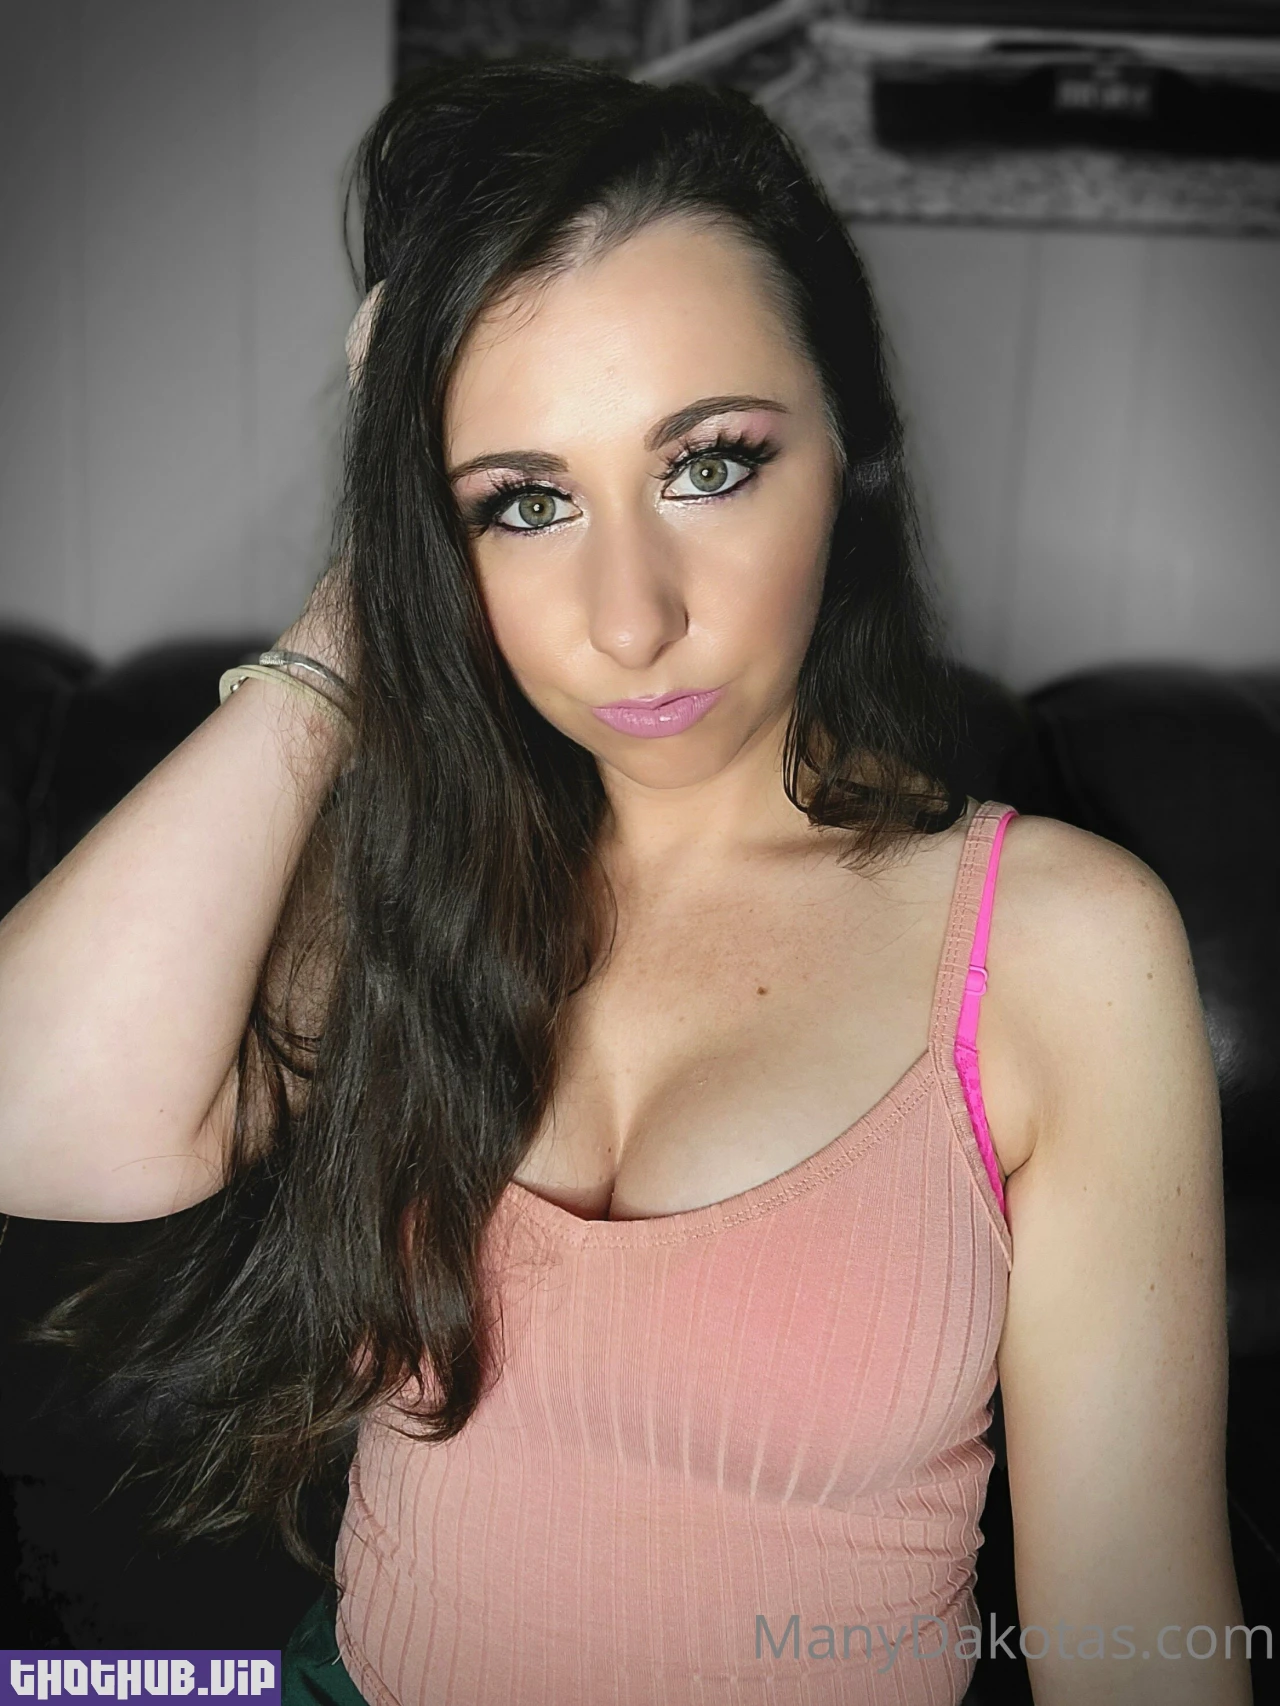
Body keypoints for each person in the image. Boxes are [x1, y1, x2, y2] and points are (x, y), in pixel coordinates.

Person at [0, 57, 1250, 1706]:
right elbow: (34, 1119)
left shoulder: (1057, 948)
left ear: (851, 445)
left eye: (709, 465)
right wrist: (362, 605)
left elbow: (1135, 1631)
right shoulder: (406, 876)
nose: (630, 617)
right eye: (524, 502)